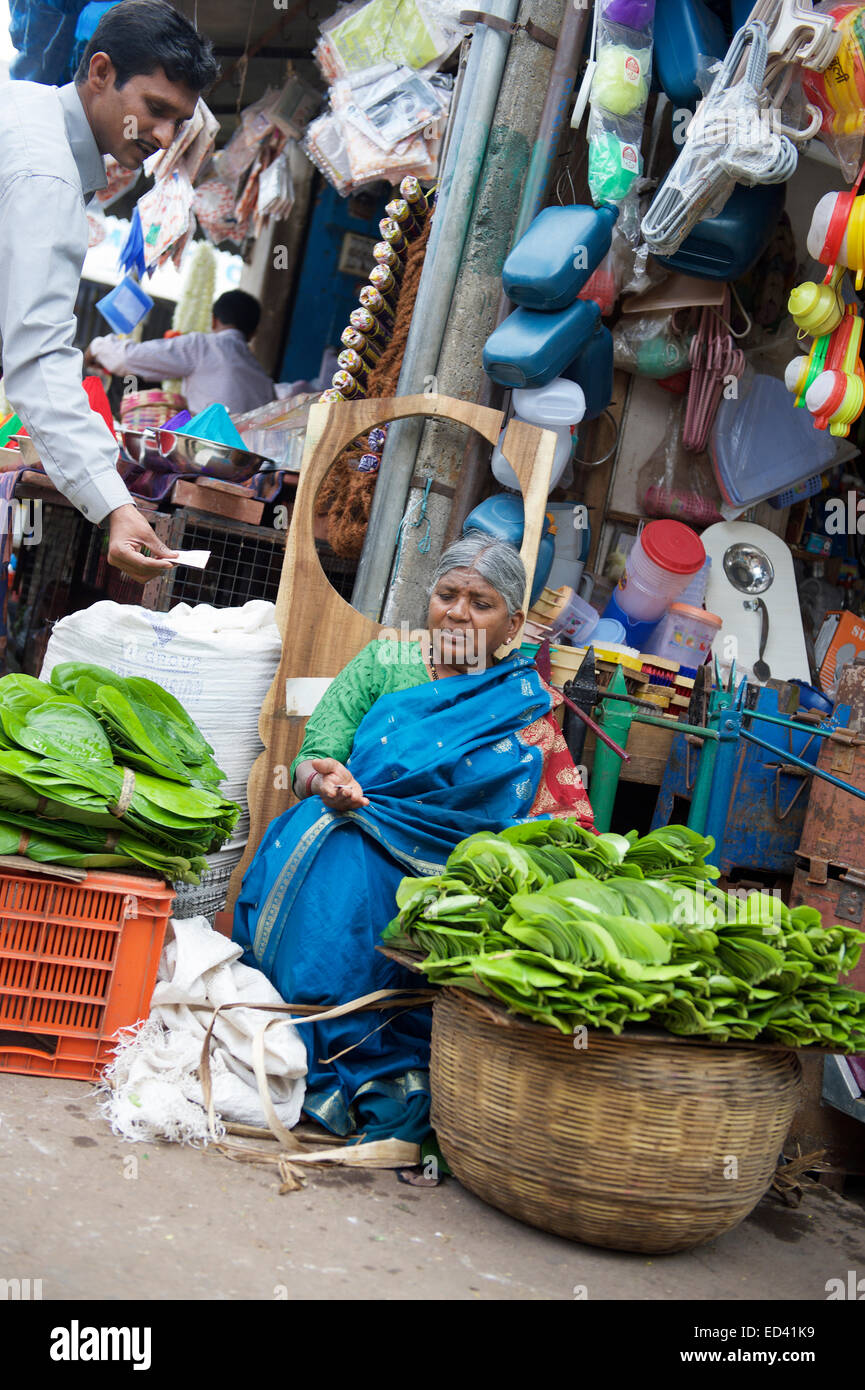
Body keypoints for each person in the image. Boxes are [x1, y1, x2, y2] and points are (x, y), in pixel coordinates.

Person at [233, 534, 594, 1144]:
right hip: (346, 824)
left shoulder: (524, 706)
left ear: (513, 623)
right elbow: (309, 762)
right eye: (446, 594)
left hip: (450, 870)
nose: (456, 612)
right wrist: (325, 780)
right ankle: (299, 1042)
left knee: (388, 894)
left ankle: (354, 1058)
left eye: (480, 603)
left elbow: (562, 825)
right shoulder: (384, 664)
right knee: (334, 859)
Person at [0, 0, 219, 580]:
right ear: (100, 73)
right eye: (155, 108)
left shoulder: (22, 109)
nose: (165, 135)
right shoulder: (45, 175)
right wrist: (117, 507)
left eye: (180, 122)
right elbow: (38, 357)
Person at [86, 290, 276, 416]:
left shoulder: (202, 345)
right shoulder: (265, 379)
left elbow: (128, 358)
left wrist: (97, 347)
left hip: (205, 458)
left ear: (213, 320)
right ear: (253, 333)